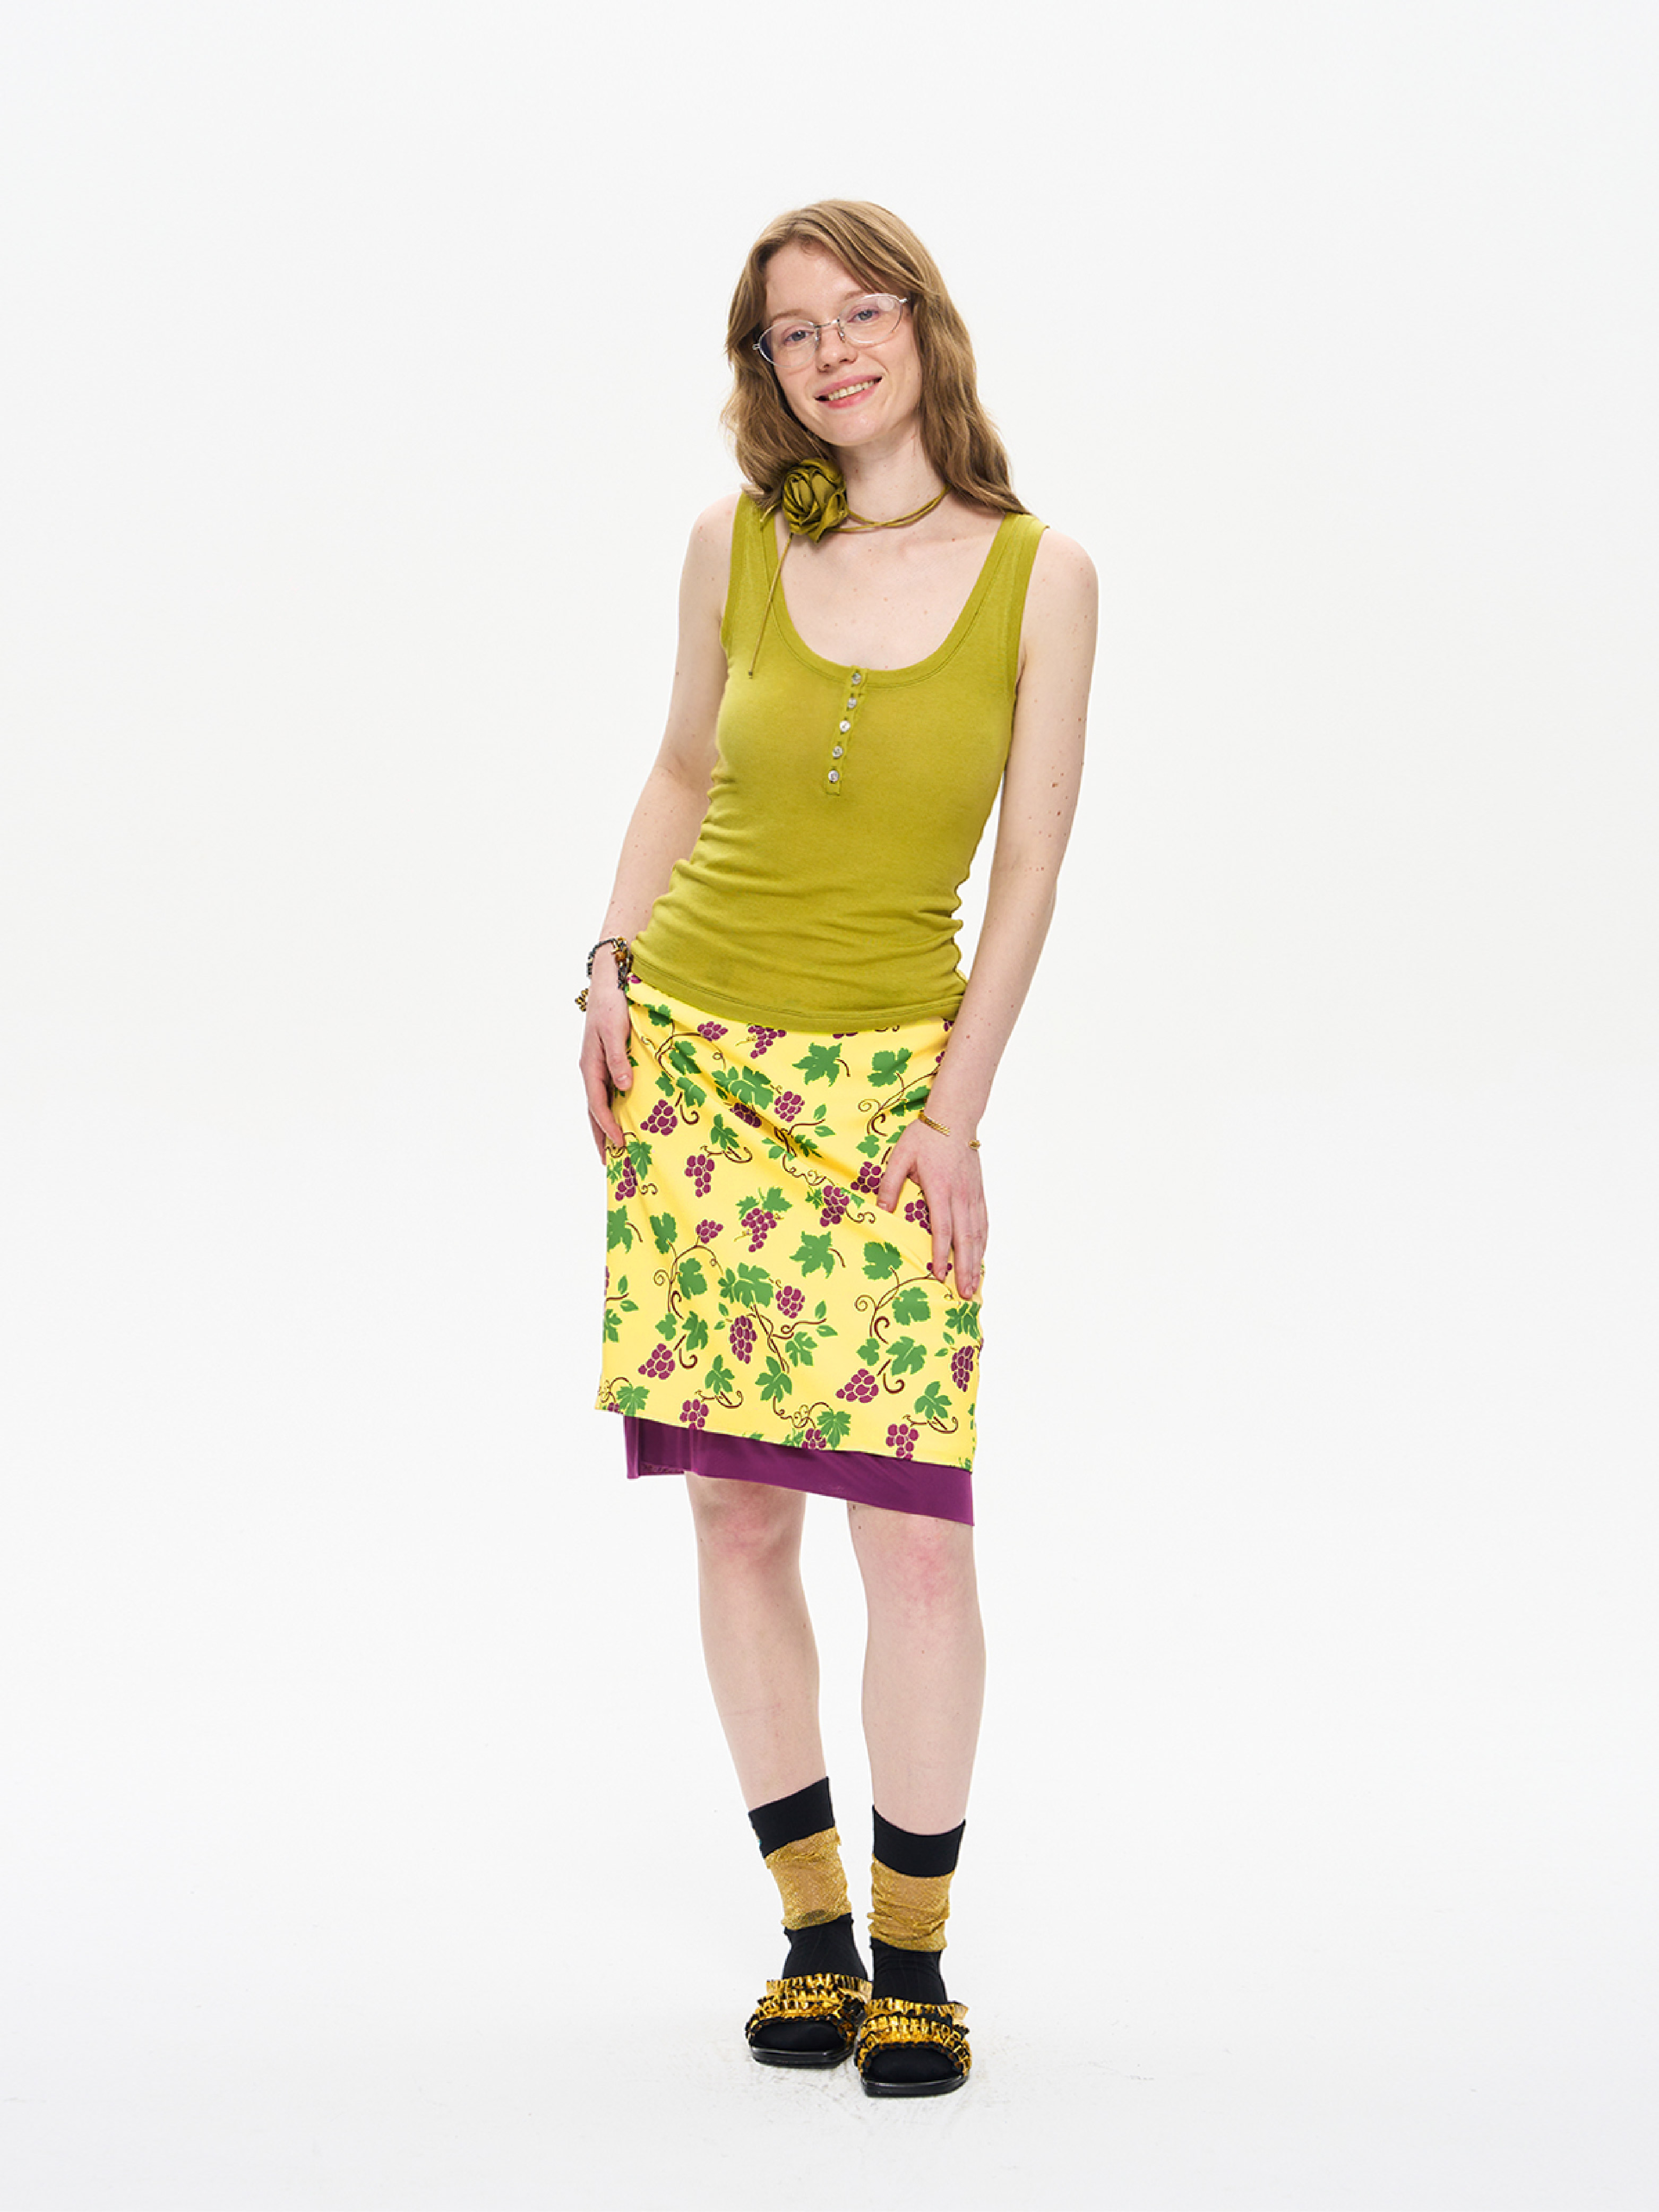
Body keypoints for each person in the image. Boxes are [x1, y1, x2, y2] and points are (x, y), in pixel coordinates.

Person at [580, 201, 1095, 2097]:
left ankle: (916, 1956)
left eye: (860, 313)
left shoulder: (1043, 574)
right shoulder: (731, 543)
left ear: (925, 327)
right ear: (767, 370)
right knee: (736, 1512)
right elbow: (680, 771)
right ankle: (810, 1936)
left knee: (918, 1535)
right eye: (792, 333)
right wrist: (605, 967)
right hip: (696, 1068)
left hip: (890, 1098)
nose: (832, 353)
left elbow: (1030, 865)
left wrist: (956, 1112)